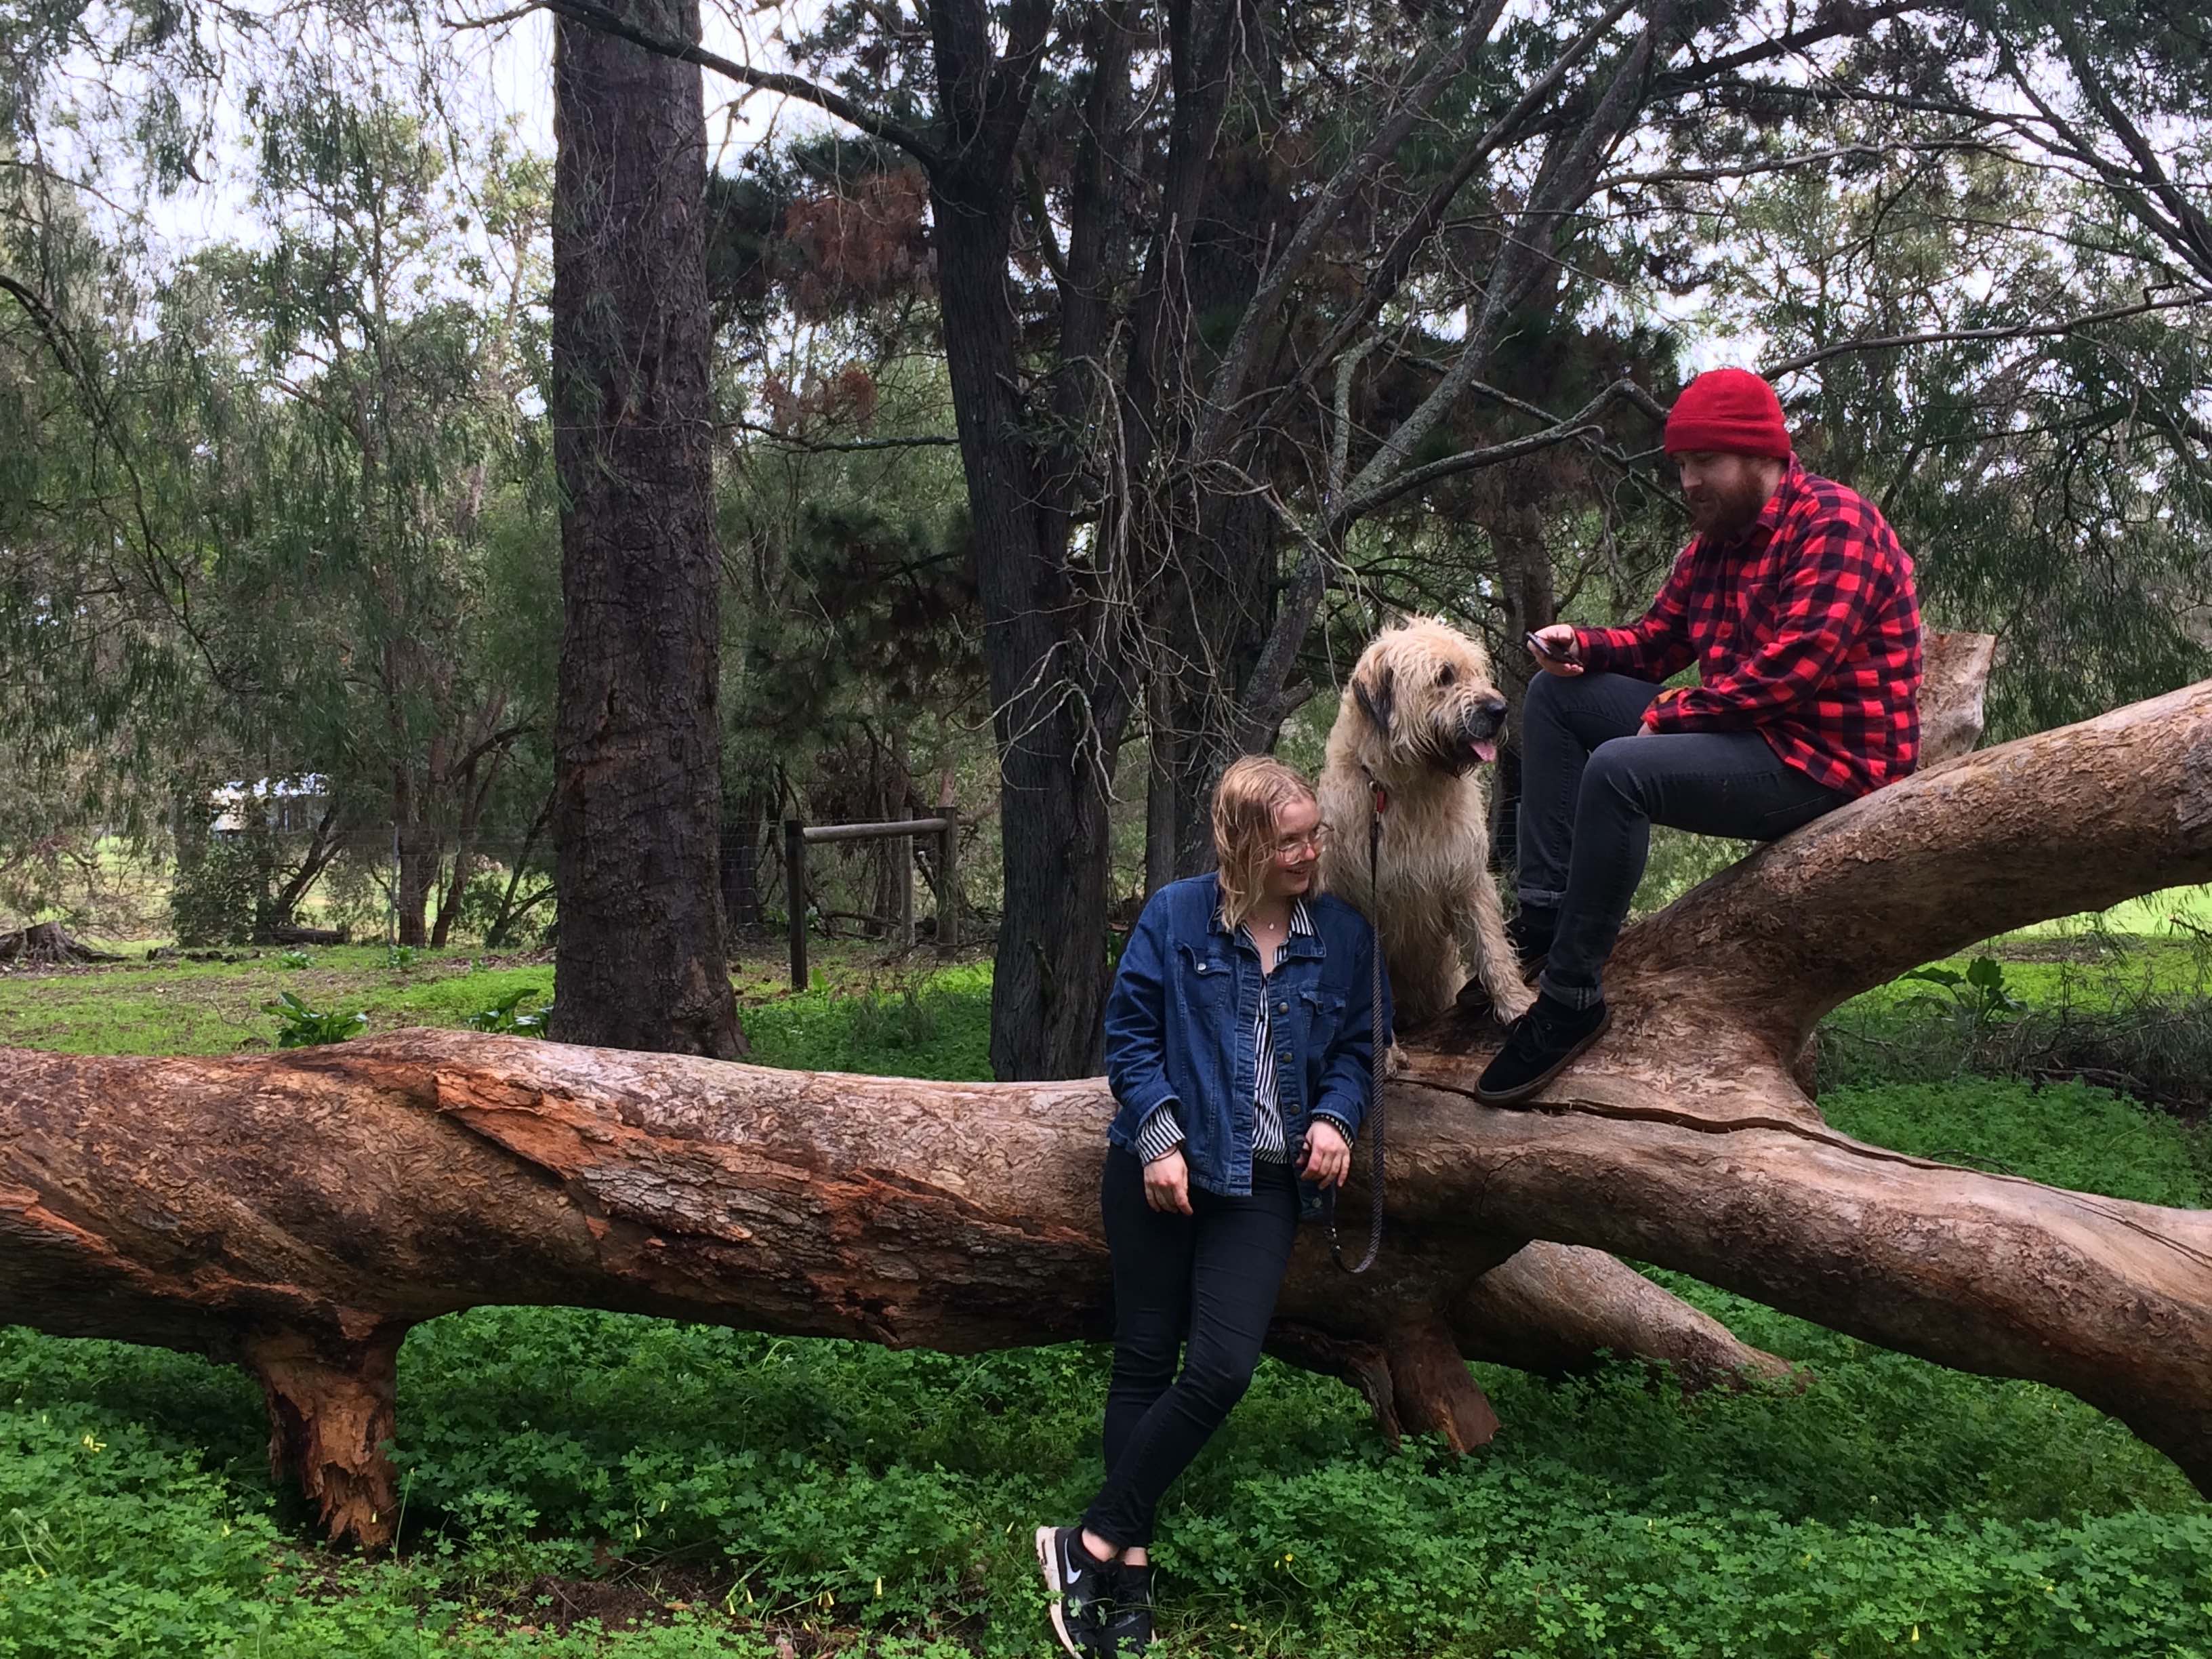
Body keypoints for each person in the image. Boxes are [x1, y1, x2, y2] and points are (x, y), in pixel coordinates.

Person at [1476, 367, 1922, 1106]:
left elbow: (1790, 674)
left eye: (1703, 462)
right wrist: (1587, 642)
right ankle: (1548, 916)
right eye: (1680, 464)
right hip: (1759, 735)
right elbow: (1658, 641)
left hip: (1830, 764)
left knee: (1622, 769)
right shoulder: (1716, 545)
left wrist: (1669, 716)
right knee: (1558, 696)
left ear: (1762, 456)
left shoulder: (1837, 525)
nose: (1687, 481)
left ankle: (1571, 995)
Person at [1035, 756, 1389, 1657]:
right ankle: (1127, 1576)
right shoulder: (1175, 916)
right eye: (1291, 840)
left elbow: (1357, 1048)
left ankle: (1087, 1541)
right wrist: (1157, 1139)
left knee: (1224, 1367)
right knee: (1146, 1359)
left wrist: (1340, 1119)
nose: (1312, 851)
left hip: (1267, 1184)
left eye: (1317, 834)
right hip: (1163, 1170)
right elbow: (1129, 1036)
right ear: (1240, 844)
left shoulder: (1343, 934)